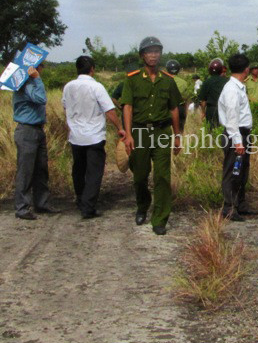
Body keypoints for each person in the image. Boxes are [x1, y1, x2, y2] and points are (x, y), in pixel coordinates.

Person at [122, 36, 182, 235]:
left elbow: (174, 109)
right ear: (142, 55)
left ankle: (160, 218)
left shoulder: (168, 80)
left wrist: (177, 135)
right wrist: (128, 134)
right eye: (149, 51)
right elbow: (128, 107)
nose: (153, 55)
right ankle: (142, 205)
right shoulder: (132, 79)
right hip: (139, 131)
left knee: (162, 176)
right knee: (140, 175)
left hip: (162, 131)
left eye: (157, 51)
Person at [63, 55, 125, 219]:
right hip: (94, 136)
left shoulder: (68, 87)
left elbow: (65, 107)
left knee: (78, 169)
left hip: (75, 135)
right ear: (92, 69)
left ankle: (80, 199)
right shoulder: (96, 87)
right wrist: (120, 128)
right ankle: (88, 207)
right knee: (94, 172)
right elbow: (109, 111)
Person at [11, 64, 53, 220]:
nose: (42, 68)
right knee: (26, 170)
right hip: (27, 130)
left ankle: (41, 203)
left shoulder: (28, 83)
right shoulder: (26, 84)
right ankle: (22, 207)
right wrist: (37, 79)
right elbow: (41, 99)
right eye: (41, 66)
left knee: (41, 169)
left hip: (36, 129)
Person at [218, 53, 254, 221]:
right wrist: (238, 141)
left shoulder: (238, 87)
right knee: (233, 171)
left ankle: (240, 203)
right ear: (246, 69)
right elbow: (232, 118)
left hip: (242, 134)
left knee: (242, 170)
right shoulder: (232, 90)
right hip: (236, 135)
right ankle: (229, 208)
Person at [197, 58, 228, 128]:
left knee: (212, 130)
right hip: (225, 109)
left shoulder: (206, 82)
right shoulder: (227, 81)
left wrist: (203, 112)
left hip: (211, 110)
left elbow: (203, 100)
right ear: (221, 70)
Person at [165, 59, 191, 129]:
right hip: (180, 108)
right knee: (179, 131)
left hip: (167, 109)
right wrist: (186, 111)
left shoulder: (163, 81)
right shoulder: (184, 82)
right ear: (178, 69)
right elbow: (187, 99)